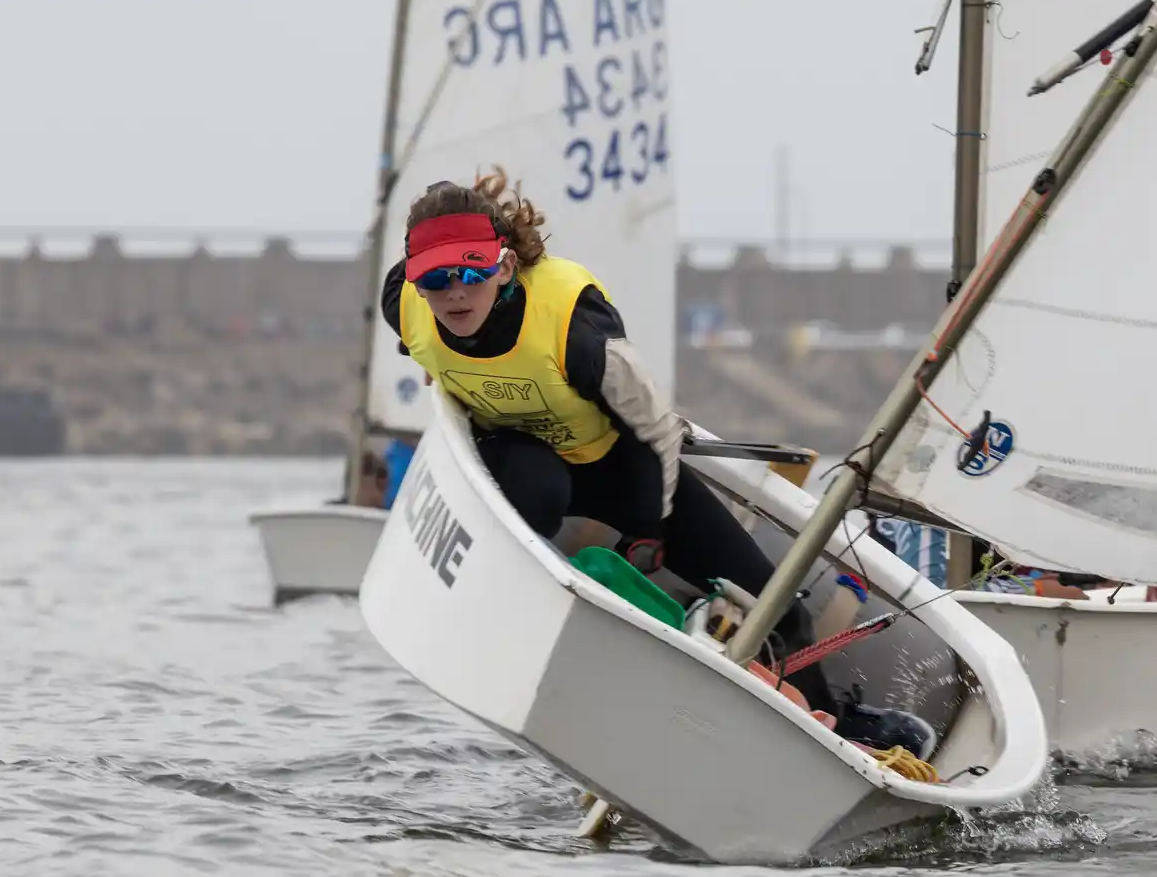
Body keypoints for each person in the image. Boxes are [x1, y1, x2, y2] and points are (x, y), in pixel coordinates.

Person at [379, 168, 936, 759]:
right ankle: (524, 628)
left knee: (776, 607)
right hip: (520, 460)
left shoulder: (575, 325)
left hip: (619, 465)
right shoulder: (403, 304)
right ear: (413, 280)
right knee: (536, 489)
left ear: (506, 266)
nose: (455, 293)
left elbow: (654, 430)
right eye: (435, 279)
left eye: (469, 272)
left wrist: (649, 526)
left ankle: (835, 727)